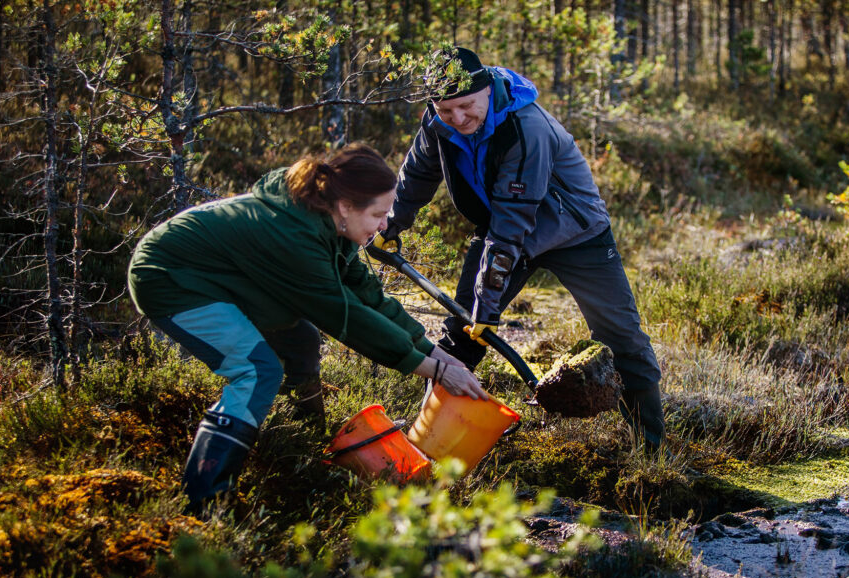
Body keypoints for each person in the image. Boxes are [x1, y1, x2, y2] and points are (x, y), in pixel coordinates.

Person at [128, 143, 487, 512]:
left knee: (299, 340)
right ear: (346, 206)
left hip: (223, 279)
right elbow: (348, 318)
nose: (384, 225)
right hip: (171, 279)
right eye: (378, 214)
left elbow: (369, 297)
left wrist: (437, 353)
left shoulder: (330, 223)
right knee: (255, 370)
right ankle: (203, 500)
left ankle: (304, 449)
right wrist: (435, 371)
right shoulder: (295, 237)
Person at [376, 48, 665, 450]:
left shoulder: (525, 127)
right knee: (463, 331)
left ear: (487, 93)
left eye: (465, 106)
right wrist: (390, 224)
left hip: (575, 231)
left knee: (622, 337)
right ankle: (429, 440)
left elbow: (513, 226)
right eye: (446, 111)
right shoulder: (438, 121)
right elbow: (417, 175)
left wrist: (488, 307)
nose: (458, 120)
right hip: (501, 228)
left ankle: (650, 445)